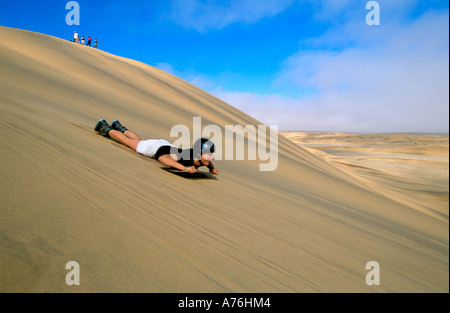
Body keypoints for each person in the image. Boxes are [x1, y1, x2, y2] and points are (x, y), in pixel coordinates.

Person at [94, 119, 219, 175]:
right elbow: (163, 158)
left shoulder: (203, 159)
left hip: (165, 145)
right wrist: (184, 168)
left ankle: (120, 127)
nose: (211, 158)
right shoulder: (187, 156)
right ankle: (105, 127)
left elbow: (208, 163)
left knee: (139, 141)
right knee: (127, 142)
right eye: (209, 154)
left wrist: (212, 169)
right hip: (157, 149)